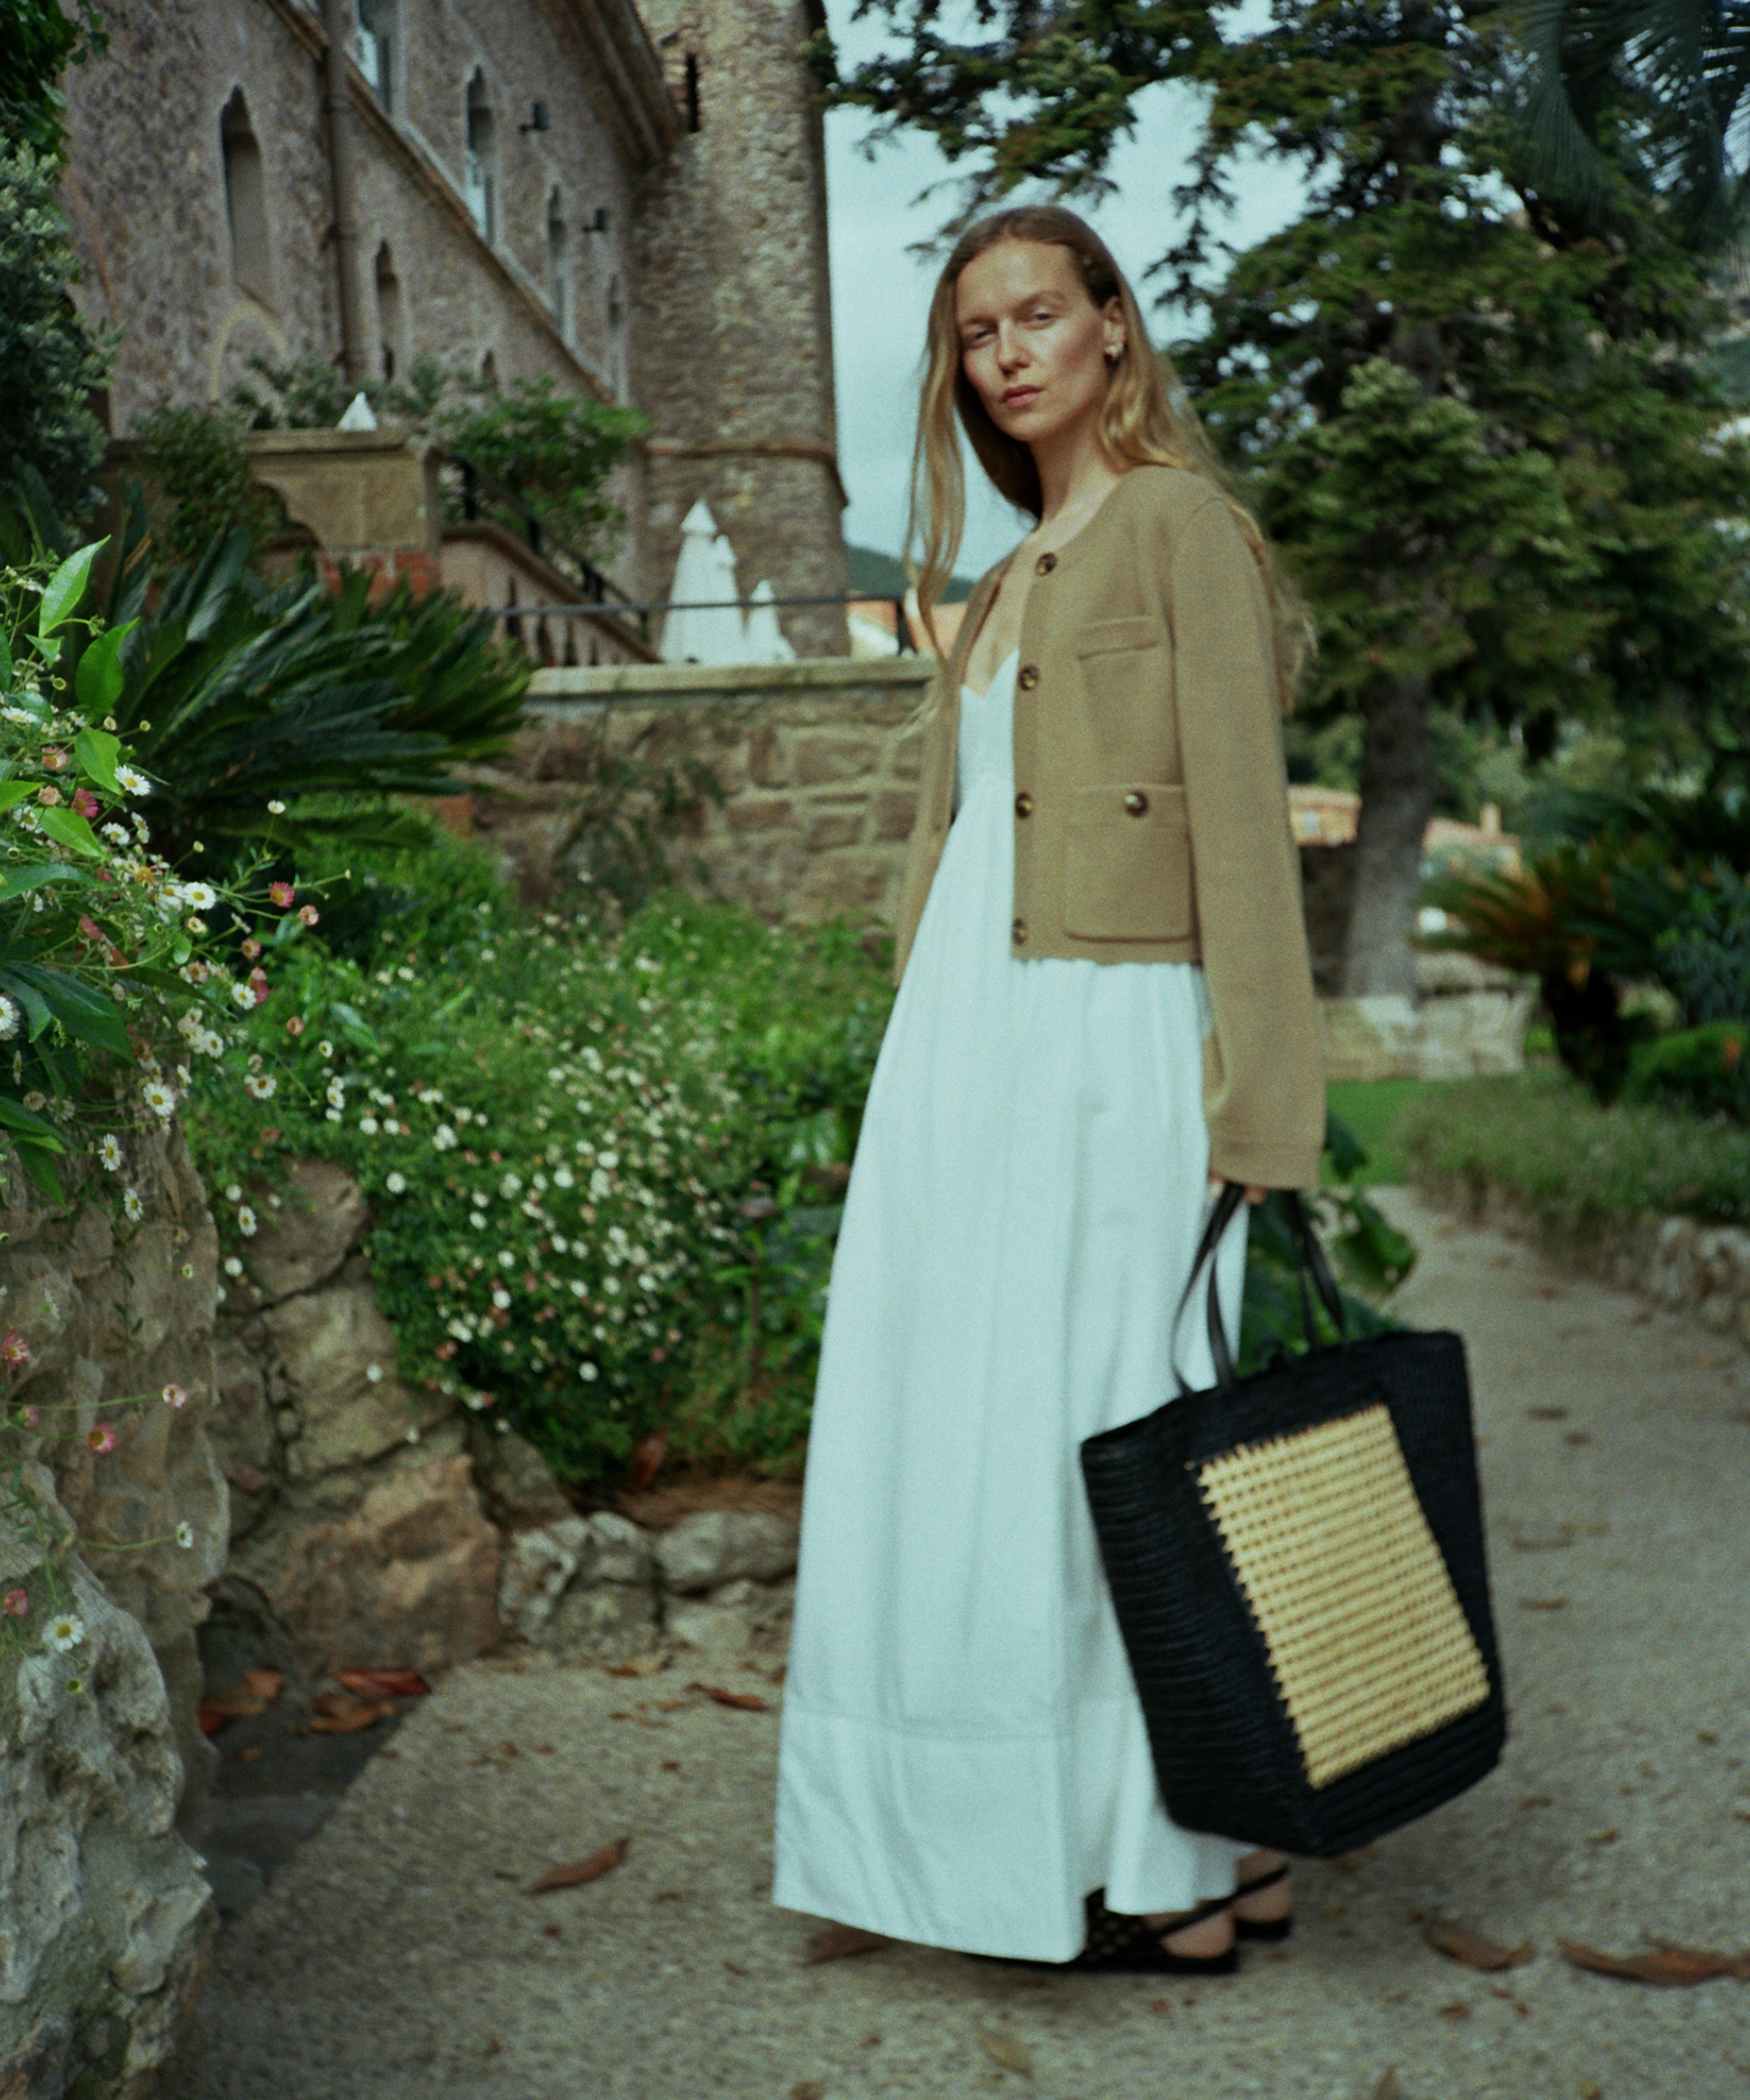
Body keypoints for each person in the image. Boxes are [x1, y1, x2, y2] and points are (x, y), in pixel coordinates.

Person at [770, 204, 1326, 1971]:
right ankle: (982, 1842)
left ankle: (1189, 1858)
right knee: (962, 1451)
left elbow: (1243, 836)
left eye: (1034, 316)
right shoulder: (1004, 579)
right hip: (968, 1055)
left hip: (1112, 1052)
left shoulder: (1180, 532)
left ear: (1109, 329)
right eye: (973, 334)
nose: (1005, 353)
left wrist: (1261, 1121)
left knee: (1122, 1448)